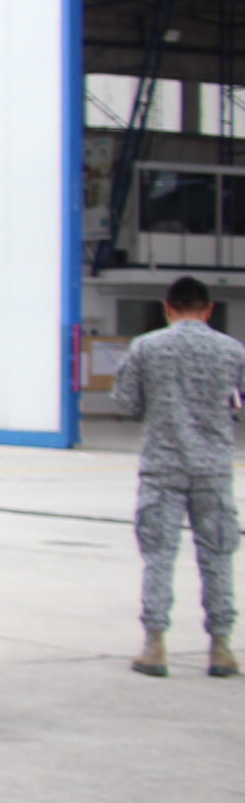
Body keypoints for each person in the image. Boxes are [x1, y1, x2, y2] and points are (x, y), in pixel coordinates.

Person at [114, 274, 245, 679]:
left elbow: (127, 402)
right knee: (218, 555)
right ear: (208, 310)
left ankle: (155, 644)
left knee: (158, 555)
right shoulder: (232, 350)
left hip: (162, 467)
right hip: (214, 469)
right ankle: (221, 647)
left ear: (167, 308)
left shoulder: (147, 347)